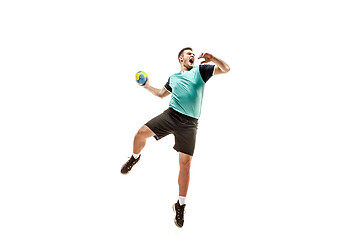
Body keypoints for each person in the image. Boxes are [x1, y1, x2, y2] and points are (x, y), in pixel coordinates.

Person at [121, 47, 230, 228]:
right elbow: (161, 94)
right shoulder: (174, 78)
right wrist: (147, 86)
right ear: (181, 58)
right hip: (171, 116)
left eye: (193, 54)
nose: (192, 56)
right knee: (140, 134)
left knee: (185, 165)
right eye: (189, 54)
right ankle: (134, 158)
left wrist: (213, 58)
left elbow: (226, 69)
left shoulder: (201, 71)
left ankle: (180, 204)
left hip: (189, 125)